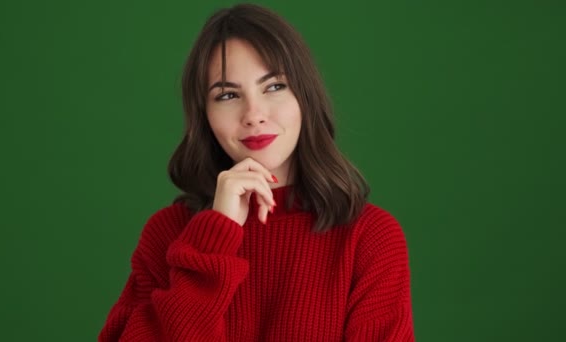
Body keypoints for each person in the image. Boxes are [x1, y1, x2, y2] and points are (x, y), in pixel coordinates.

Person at [99, 3, 414, 341]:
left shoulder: (369, 237)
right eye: (228, 95)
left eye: (274, 86)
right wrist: (214, 240)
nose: (254, 114)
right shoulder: (168, 234)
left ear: (305, 98)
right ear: (204, 116)